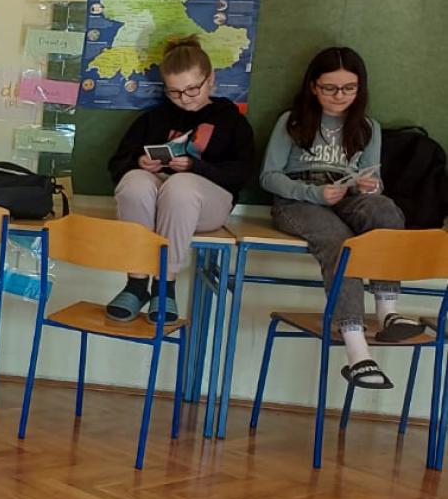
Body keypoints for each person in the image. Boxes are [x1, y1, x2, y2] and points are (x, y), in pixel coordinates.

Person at [259, 46, 418, 389]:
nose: (339, 96)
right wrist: (315, 194)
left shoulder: (367, 127)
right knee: (339, 242)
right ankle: (357, 350)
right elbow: (269, 176)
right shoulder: (292, 121)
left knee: (385, 209)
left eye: (349, 88)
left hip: (347, 196)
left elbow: (375, 182)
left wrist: (368, 186)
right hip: (298, 200)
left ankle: (388, 311)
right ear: (313, 86)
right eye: (330, 88)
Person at [104, 36, 255, 321]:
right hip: (157, 203)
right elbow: (117, 164)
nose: (184, 98)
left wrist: (195, 167)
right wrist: (139, 162)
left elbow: (241, 174)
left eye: (192, 89)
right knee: (134, 183)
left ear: (211, 78)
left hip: (206, 204)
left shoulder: (231, 121)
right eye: (174, 92)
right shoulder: (153, 118)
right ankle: (136, 283)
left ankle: (165, 285)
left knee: (180, 185)